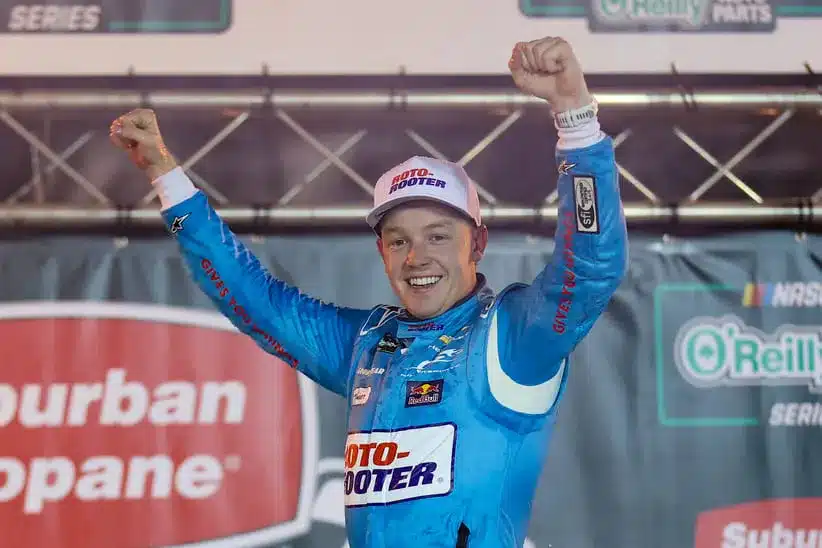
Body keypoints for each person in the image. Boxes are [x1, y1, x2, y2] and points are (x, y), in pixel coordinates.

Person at [110, 36, 627, 548]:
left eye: (438, 236)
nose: (416, 257)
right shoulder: (367, 344)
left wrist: (575, 118)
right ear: (381, 252)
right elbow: (256, 303)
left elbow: (592, 266)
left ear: (478, 244)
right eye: (398, 240)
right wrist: (166, 178)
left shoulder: (513, 338)